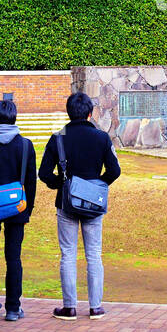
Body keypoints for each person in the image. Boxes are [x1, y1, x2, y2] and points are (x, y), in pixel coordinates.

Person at [38, 92, 120, 320]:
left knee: (68, 254)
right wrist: (97, 185)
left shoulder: (58, 138)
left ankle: (70, 307)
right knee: (94, 254)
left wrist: (63, 185)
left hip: (66, 204)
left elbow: (44, 173)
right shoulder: (102, 137)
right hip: (94, 205)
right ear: (90, 113)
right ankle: (96, 307)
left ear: (68, 112)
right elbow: (115, 170)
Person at [0, 99, 37, 321]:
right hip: (17, 206)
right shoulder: (25, 144)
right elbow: (31, 180)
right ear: (15, 118)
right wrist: (27, 209)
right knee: (14, 258)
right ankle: (13, 308)